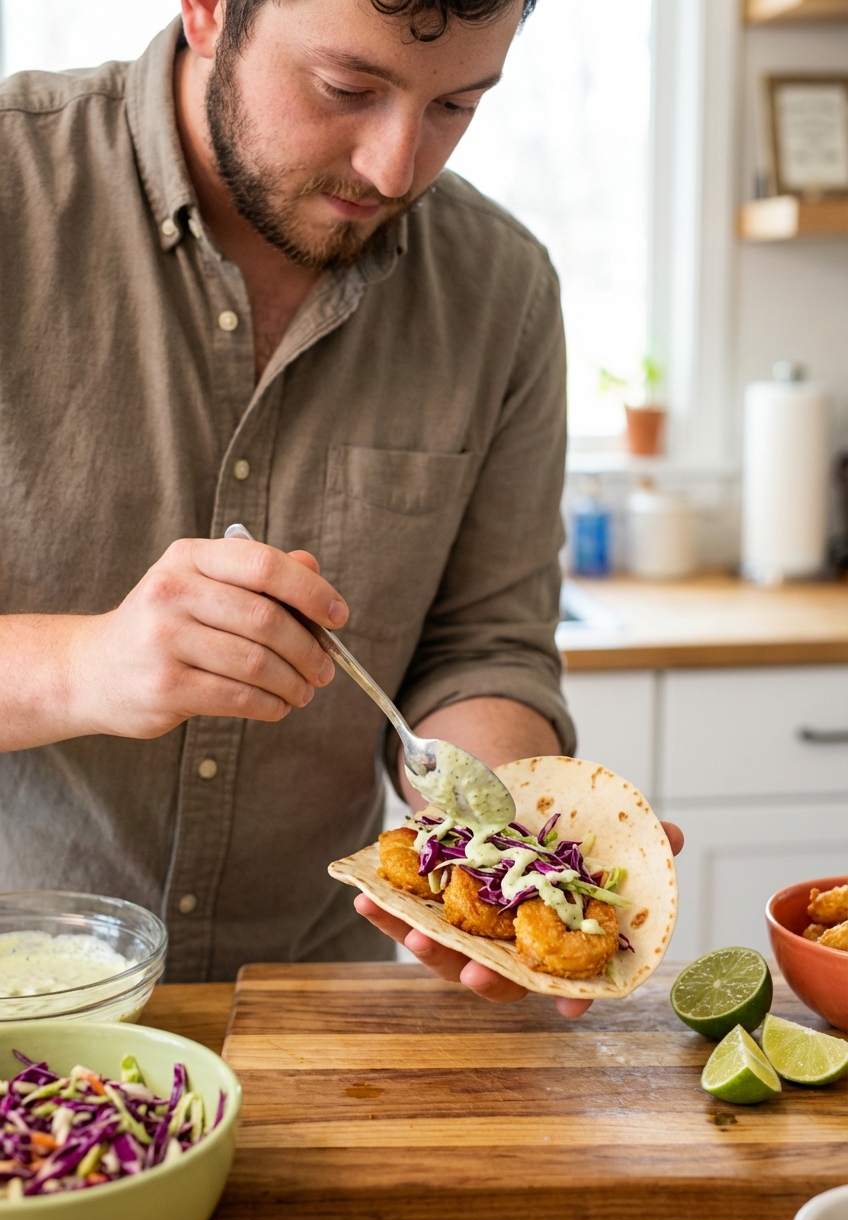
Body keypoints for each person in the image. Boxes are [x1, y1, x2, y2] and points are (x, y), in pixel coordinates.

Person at [0, 0, 682, 1016]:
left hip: (317, 1008)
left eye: (456, 103)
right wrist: (83, 666)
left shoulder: (503, 291)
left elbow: (482, 643)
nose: (396, 166)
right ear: (206, 12)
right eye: (346, 90)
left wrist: (494, 836)